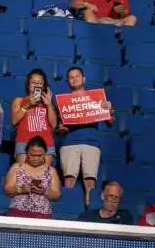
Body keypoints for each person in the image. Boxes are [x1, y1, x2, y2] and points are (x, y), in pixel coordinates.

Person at [56, 66, 114, 206]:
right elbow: (58, 127)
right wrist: (60, 128)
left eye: (77, 76)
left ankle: (90, 213)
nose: (74, 79)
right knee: (69, 181)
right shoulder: (63, 102)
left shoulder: (96, 99)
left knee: (90, 182)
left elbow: (110, 122)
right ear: (68, 81)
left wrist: (109, 110)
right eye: (71, 77)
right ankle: (67, 212)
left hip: (91, 144)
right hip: (69, 143)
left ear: (83, 79)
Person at [4, 136, 61, 219]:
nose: (35, 158)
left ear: (45, 154)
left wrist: (44, 191)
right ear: (27, 153)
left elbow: (56, 195)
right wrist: (21, 189)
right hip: (17, 213)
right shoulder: (17, 167)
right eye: (32, 155)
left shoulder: (51, 171)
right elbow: (7, 189)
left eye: (39, 155)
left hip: (42, 215)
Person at [11, 69, 57, 165]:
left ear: (44, 86)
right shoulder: (19, 100)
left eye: (39, 83)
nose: (36, 85)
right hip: (24, 142)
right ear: (28, 85)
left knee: (44, 176)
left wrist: (49, 104)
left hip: (46, 143)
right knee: (24, 175)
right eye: (33, 82)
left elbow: (53, 125)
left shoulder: (48, 103)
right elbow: (14, 121)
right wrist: (27, 105)